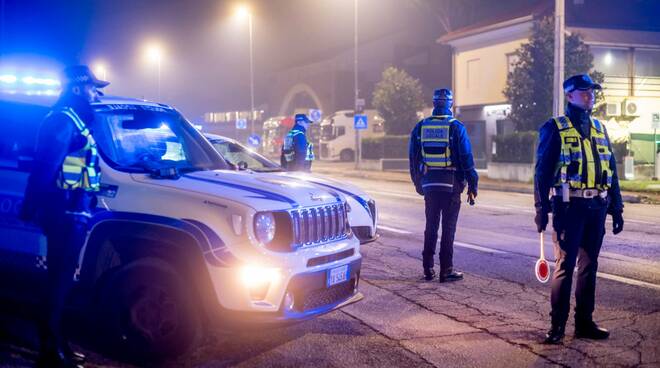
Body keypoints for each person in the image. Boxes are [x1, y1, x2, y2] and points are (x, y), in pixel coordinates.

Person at [20, 65, 108, 367]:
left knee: (63, 282)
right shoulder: (61, 121)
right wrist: (31, 205)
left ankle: (58, 342)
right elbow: (44, 168)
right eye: (92, 88)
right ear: (76, 89)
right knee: (57, 282)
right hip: (64, 213)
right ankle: (49, 350)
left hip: (76, 212)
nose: (96, 92)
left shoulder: (75, 121)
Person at [534, 74, 624, 344]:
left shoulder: (599, 127)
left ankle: (584, 323)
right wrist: (541, 208)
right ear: (570, 95)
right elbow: (542, 172)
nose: (590, 95)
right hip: (568, 206)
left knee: (589, 266)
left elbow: (612, 169)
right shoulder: (554, 128)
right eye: (584, 91)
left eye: (592, 91)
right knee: (565, 266)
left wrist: (617, 207)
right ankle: (557, 326)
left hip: (597, 206)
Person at [409, 88, 478, 283]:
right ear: (450, 104)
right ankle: (446, 269)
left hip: (429, 184)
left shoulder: (420, 127)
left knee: (430, 226)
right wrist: (473, 184)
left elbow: (413, 159)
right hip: (451, 185)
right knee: (448, 228)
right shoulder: (456, 127)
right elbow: (466, 159)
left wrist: (418, 183)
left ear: (434, 103)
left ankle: (427, 268)